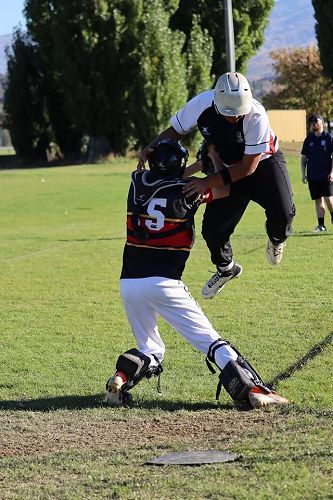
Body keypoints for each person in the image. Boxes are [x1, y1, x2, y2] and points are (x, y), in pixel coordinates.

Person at [105, 139, 288, 409]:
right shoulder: (189, 191)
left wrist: (189, 163)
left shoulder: (137, 182)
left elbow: (162, 173)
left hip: (129, 282)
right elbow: (225, 188)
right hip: (164, 282)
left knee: (151, 349)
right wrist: (212, 160)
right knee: (212, 343)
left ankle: (120, 379)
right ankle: (252, 389)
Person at [137, 72, 296, 300]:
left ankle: (276, 239)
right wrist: (150, 148)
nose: (235, 118)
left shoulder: (257, 115)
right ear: (217, 102)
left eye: (239, 113)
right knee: (212, 229)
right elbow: (175, 132)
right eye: (229, 114)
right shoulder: (202, 104)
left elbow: (247, 168)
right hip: (225, 167)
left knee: (284, 211)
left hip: (262, 164)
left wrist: (205, 183)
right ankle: (226, 268)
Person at [301, 114, 333, 232]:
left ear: (322, 123)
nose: (314, 124)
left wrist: (332, 173)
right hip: (313, 175)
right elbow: (304, 158)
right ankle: (321, 225)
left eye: (316, 121)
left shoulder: (329, 138)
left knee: (329, 199)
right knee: (318, 200)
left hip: (326, 175)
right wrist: (303, 174)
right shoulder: (308, 140)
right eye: (312, 122)